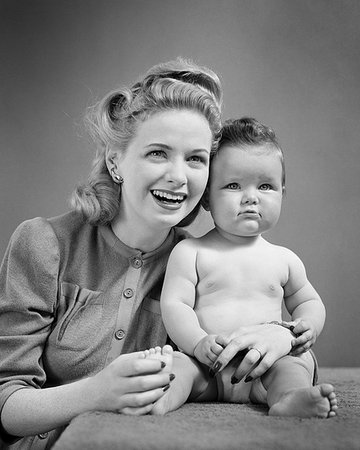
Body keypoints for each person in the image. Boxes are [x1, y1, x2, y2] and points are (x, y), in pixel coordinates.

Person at [0, 60, 298, 450]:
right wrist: (95, 393)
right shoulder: (44, 243)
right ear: (115, 161)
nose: (179, 176)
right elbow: (7, 403)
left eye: (195, 158)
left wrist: (279, 336)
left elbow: (259, 350)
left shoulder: (197, 260)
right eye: (158, 153)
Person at [160, 117, 338, 418]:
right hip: (208, 364)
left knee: (296, 362)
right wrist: (197, 342)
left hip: (265, 369)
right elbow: (175, 305)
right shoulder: (190, 251)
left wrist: (307, 327)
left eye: (266, 186)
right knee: (178, 367)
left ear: (283, 193)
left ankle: (289, 398)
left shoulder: (284, 259)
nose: (251, 197)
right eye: (233, 185)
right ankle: (161, 400)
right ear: (206, 198)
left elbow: (308, 301)